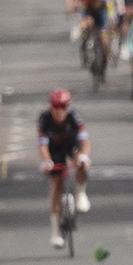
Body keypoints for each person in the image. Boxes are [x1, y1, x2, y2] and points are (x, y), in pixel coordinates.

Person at [38, 89, 91, 247]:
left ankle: (81, 193)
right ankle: (55, 231)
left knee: (81, 161)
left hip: (71, 145)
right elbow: (42, 145)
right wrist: (46, 161)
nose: (59, 110)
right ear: (51, 106)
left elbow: (85, 141)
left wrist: (84, 156)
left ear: (67, 107)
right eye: (56, 106)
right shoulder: (45, 119)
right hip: (54, 150)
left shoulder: (74, 117)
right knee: (57, 182)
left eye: (62, 106)